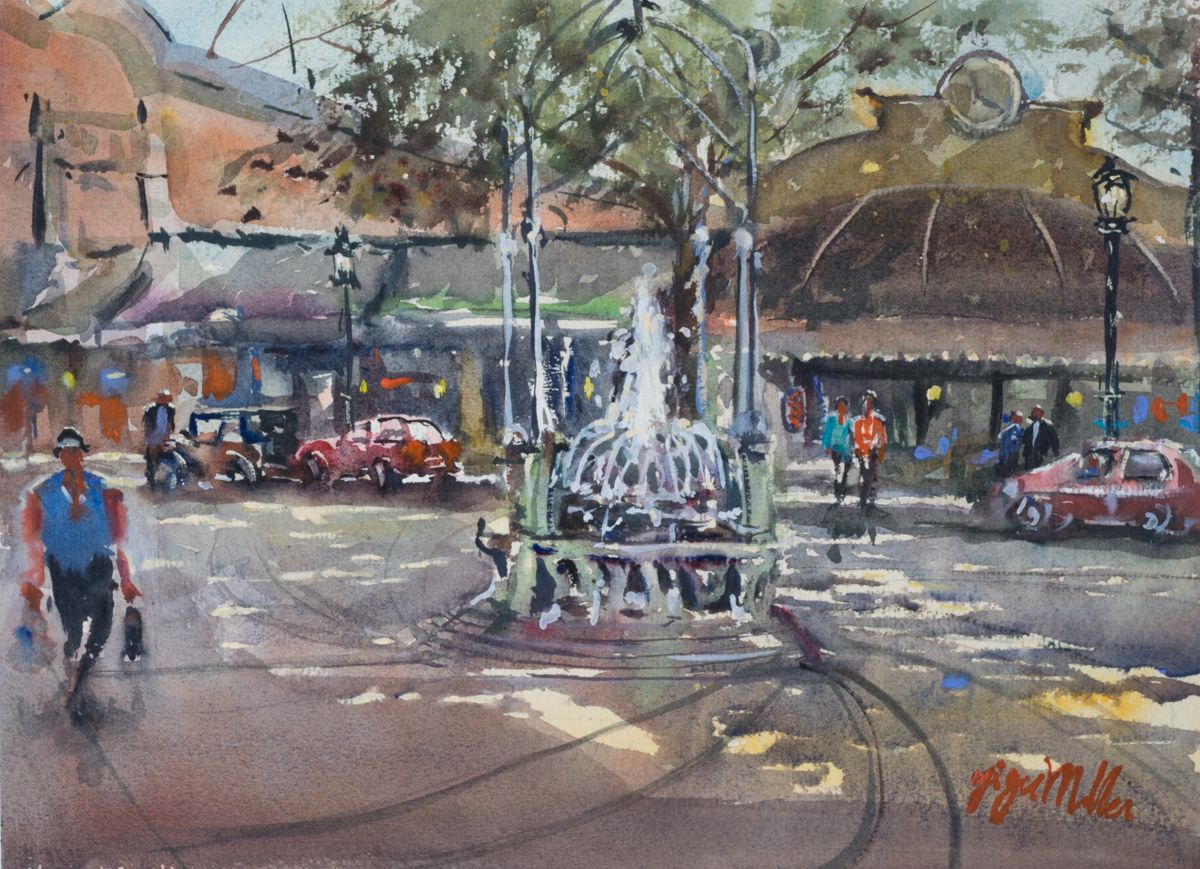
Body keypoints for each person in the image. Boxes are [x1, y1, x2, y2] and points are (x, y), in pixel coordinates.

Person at [20, 428, 141, 690]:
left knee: (103, 614)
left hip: (98, 563)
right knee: (72, 624)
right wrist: (34, 579)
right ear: (60, 456)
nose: (73, 456)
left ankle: (91, 654)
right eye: (67, 451)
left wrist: (126, 578)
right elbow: (33, 539)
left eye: (76, 451)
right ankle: (74, 648)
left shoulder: (103, 489)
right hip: (63, 567)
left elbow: (119, 536)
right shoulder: (44, 492)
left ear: (82, 455)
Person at [853, 391, 887, 509]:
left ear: (872, 405)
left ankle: (870, 497)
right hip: (861, 452)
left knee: (872, 475)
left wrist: (880, 450)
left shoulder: (878, 420)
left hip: (873, 451)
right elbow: (856, 438)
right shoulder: (858, 422)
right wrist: (859, 450)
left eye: (869, 403)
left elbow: (882, 437)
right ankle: (863, 497)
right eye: (865, 403)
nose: (867, 405)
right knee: (864, 474)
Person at [821, 396, 854, 503]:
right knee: (838, 469)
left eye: (843, 406)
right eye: (839, 406)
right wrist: (827, 446)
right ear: (836, 407)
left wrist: (855, 446)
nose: (841, 408)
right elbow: (827, 433)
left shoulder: (848, 420)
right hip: (836, 448)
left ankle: (842, 491)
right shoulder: (831, 419)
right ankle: (838, 493)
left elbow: (853, 433)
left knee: (845, 472)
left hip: (846, 448)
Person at [142, 388, 176, 487]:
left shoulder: (171, 409)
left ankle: (159, 476)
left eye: (166, 398)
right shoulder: (150, 409)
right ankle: (151, 476)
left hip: (164, 435)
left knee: (162, 456)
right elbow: (147, 424)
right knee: (152, 457)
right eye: (162, 397)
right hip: (153, 435)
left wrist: (168, 434)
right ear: (158, 398)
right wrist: (148, 435)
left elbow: (170, 423)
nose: (164, 400)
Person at [1022, 404, 1060, 471]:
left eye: (1037, 412)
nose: (1036, 413)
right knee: (1029, 473)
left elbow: (1054, 439)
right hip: (1030, 455)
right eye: (1034, 412)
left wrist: (1055, 451)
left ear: (1042, 414)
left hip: (1042, 454)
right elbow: (1024, 440)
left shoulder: (1047, 425)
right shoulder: (1030, 427)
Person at [997, 410, 1024, 477]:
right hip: (1008, 451)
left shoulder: (1018, 428)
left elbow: (1019, 438)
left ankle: (1010, 474)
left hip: (1013, 451)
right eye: (1014, 417)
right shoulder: (1010, 428)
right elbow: (1004, 440)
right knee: (1006, 465)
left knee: (1011, 465)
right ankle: (1005, 475)